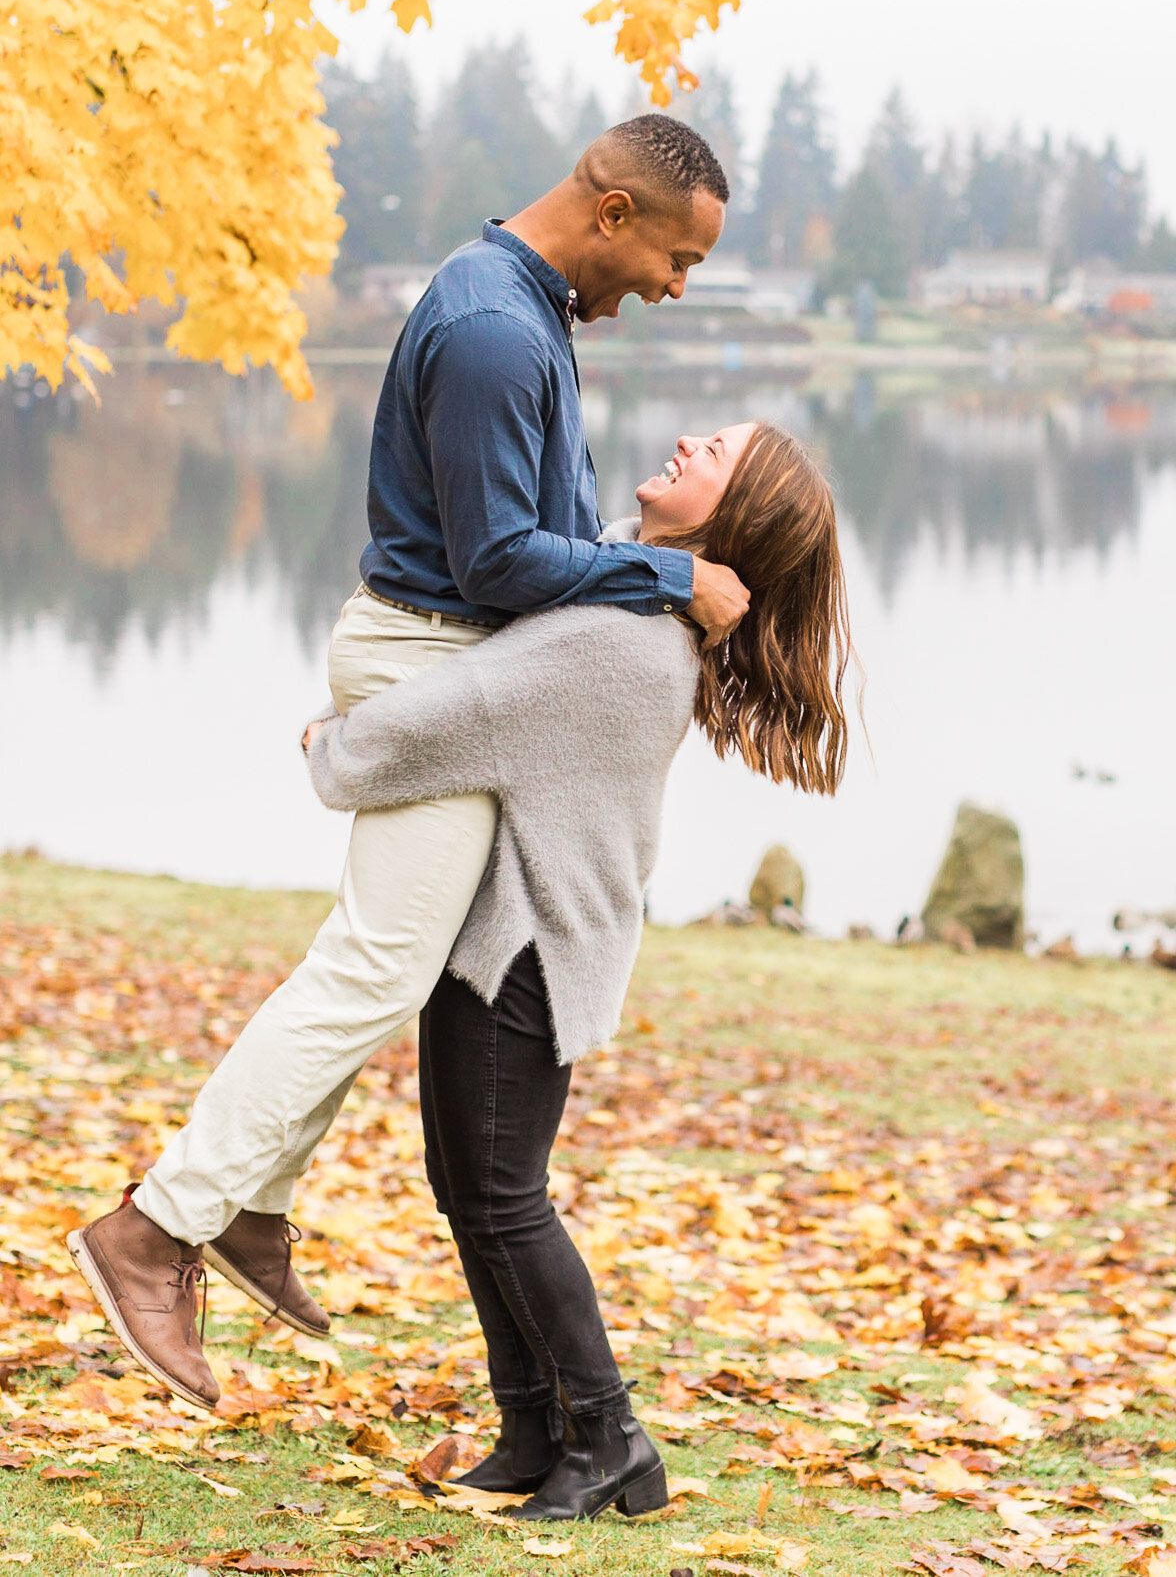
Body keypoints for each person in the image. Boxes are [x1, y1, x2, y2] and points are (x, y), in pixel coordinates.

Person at [66, 116, 750, 1411]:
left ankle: (253, 1208)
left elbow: (529, 538)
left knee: (389, 954)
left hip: (448, 662)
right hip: (437, 658)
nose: (675, 286)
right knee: (375, 961)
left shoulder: (522, 305)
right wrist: (669, 569)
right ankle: (156, 1228)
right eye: (677, 254)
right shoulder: (498, 328)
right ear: (613, 211)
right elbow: (496, 562)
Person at [301, 420, 853, 1519]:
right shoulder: (633, 600)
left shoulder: (625, 644)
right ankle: (533, 1426)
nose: (690, 438)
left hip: (532, 944)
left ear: (728, 519)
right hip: (508, 928)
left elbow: (462, 712)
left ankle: (613, 1440)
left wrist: (334, 739)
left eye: (718, 453)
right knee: (468, 1188)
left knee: (504, 1198)